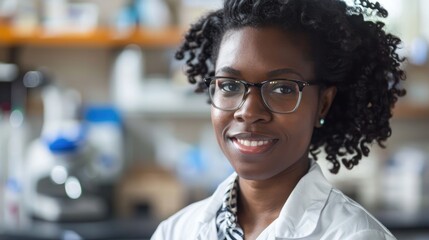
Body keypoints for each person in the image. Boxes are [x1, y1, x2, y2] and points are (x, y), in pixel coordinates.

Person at [151, 0, 406, 239]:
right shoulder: (175, 231)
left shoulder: (356, 235)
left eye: (282, 88)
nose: (249, 111)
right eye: (229, 85)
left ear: (323, 104)